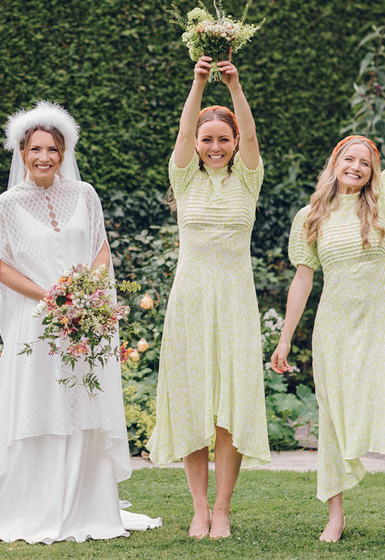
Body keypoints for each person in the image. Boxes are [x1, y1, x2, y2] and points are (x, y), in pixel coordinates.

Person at [0, 101, 161, 543]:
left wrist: (85, 294)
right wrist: (53, 296)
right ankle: (34, 504)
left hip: (85, 323)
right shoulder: (6, 205)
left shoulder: (86, 194)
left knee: (84, 403)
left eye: (52, 149)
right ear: (21, 153)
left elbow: (101, 248)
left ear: (64, 152)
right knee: (41, 405)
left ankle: (86, 505)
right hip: (38, 326)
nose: (44, 157)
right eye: (35, 149)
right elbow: (3, 266)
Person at [269, 55, 385, 547]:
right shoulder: (308, 217)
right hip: (334, 327)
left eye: (364, 161)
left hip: (379, 326)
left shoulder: (382, 202)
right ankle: (335, 516)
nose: (355, 166)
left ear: (372, 171)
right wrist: (285, 340)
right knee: (333, 422)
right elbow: (303, 283)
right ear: (334, 164)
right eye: (347, 158)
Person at [146, 54, 271, 539]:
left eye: (224, 139)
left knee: (230, 407)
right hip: (191, 302)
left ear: (235, 143)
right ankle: (198, 508)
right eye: (208, 139)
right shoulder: (184, 177)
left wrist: (235, 86)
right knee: (195, 401)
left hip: (236, 301)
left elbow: (256, 139)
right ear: (197, 145)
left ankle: (222, 508)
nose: (215, 146)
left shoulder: (248, 179)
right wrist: (198, 84)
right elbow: (179, 135)